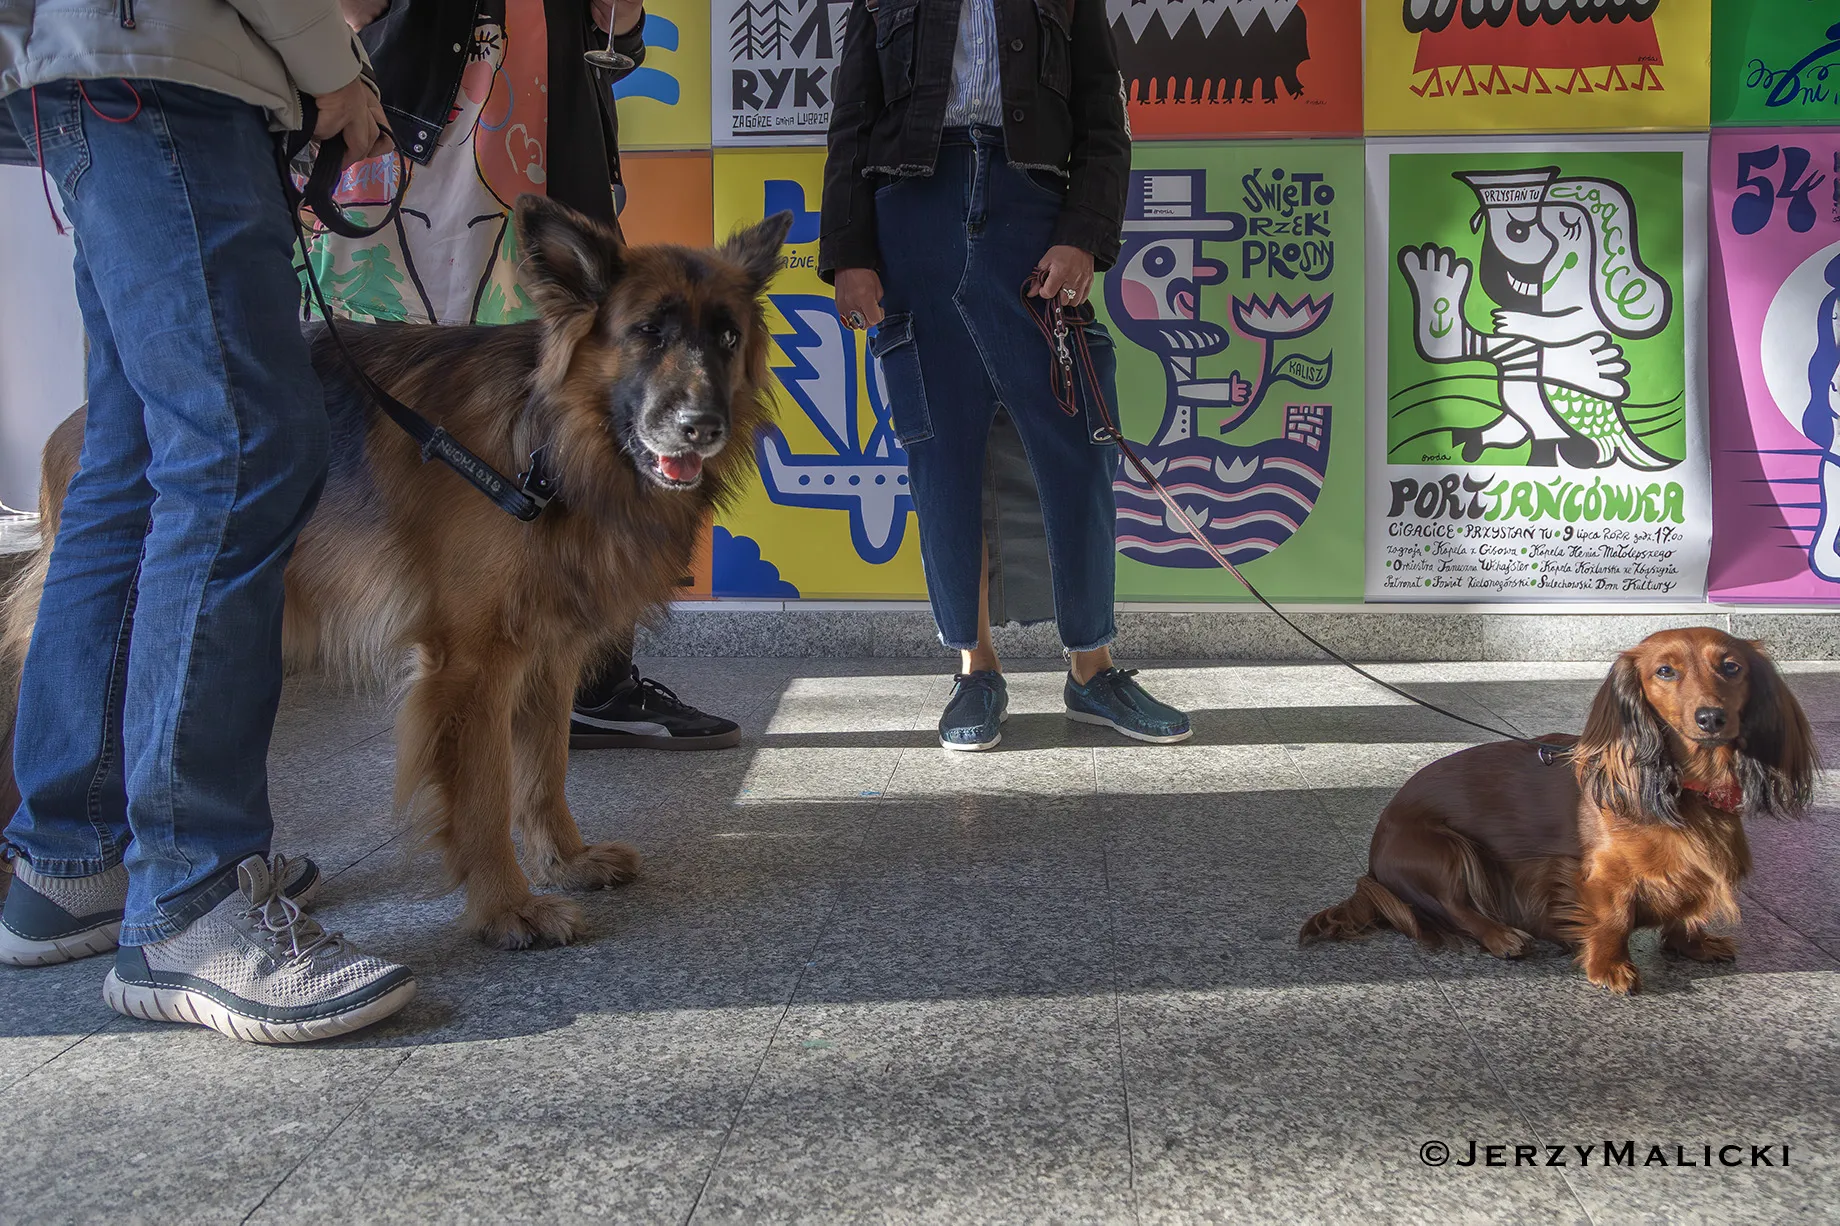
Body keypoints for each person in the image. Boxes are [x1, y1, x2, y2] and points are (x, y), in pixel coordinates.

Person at [0, 0, 418, 1042]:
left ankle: (73, 859)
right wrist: (336, 71)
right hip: (167, 75)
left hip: (107, 73)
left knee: (130, 466)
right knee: (241, 448)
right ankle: (190, 900)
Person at [308, 0, 739, 752]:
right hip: (414, 144)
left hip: (541, 150)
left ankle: (588, 681)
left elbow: (617, 37)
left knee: (567, 416)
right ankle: (460, 663)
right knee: (430, 419)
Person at [820, 0, 1192, 751]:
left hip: (1034, 215)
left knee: (1077, 446)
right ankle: (974, 669)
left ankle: (1093, 672)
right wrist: (851, 253)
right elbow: (851, 125)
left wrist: (1082, 236)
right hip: (913, 219)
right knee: (943, 454)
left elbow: (1101, 120)